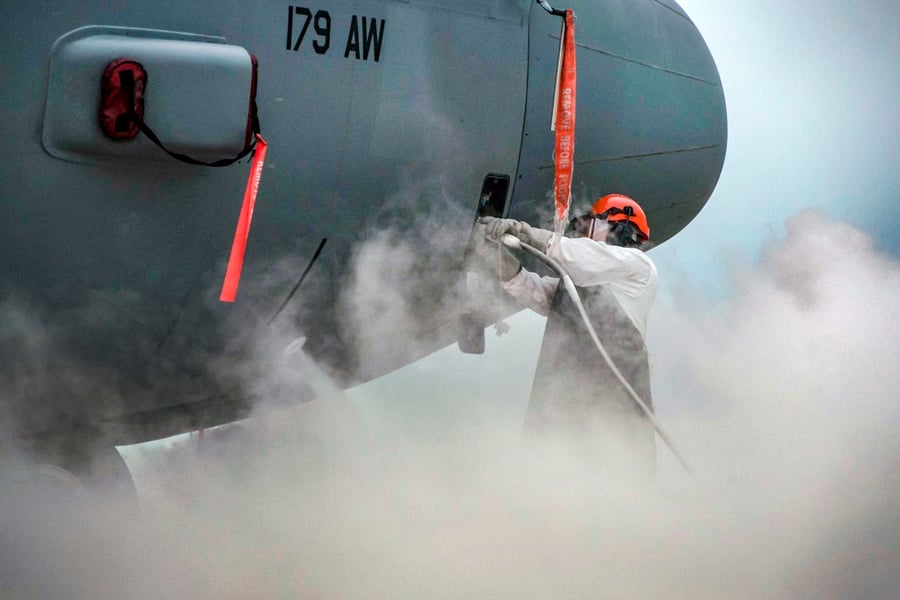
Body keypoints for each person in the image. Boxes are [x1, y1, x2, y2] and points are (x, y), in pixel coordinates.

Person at [480, 194, 659, 474]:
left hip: (613, 423)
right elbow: (533, 290)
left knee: (611, 490)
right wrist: (498, 261)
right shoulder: (577, 286)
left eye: (593, 225)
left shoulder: (639, 268)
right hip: (567, 412)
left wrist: (522, 232)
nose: (584, 235)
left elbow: (579, 256)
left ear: (621, 228)